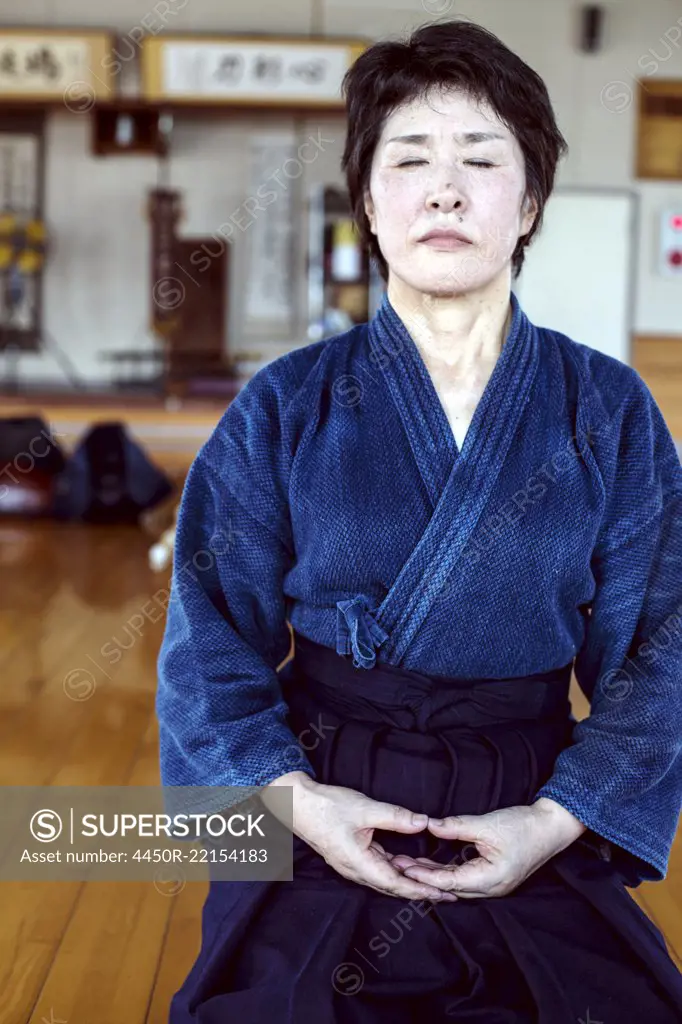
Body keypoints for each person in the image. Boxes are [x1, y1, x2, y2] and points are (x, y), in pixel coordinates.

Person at [156, 19, 682, 1023]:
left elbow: (659, 651)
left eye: (481, 159)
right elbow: (208, 632)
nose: (445, 187)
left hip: (526, 804)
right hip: (322, 799)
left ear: (527, 202)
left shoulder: (606, 410)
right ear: (368, 199)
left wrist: (552, 821)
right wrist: (301, 806)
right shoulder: (284, 403)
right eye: (411, 159)